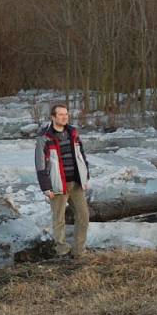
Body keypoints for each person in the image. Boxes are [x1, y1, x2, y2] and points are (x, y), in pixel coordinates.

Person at [34, 104, 90, 258]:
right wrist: (46, 187)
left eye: (66, 114)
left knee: (83, 216)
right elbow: (40, 165)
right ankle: (62, 251)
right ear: (53, 117)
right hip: (57, 183)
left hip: (76, 183)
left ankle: (79, 251)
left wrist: (85, 177)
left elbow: (81, 156)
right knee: (59, 219)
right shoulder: (44, 138)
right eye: (60, 114)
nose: (64, 117)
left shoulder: (73, 132)